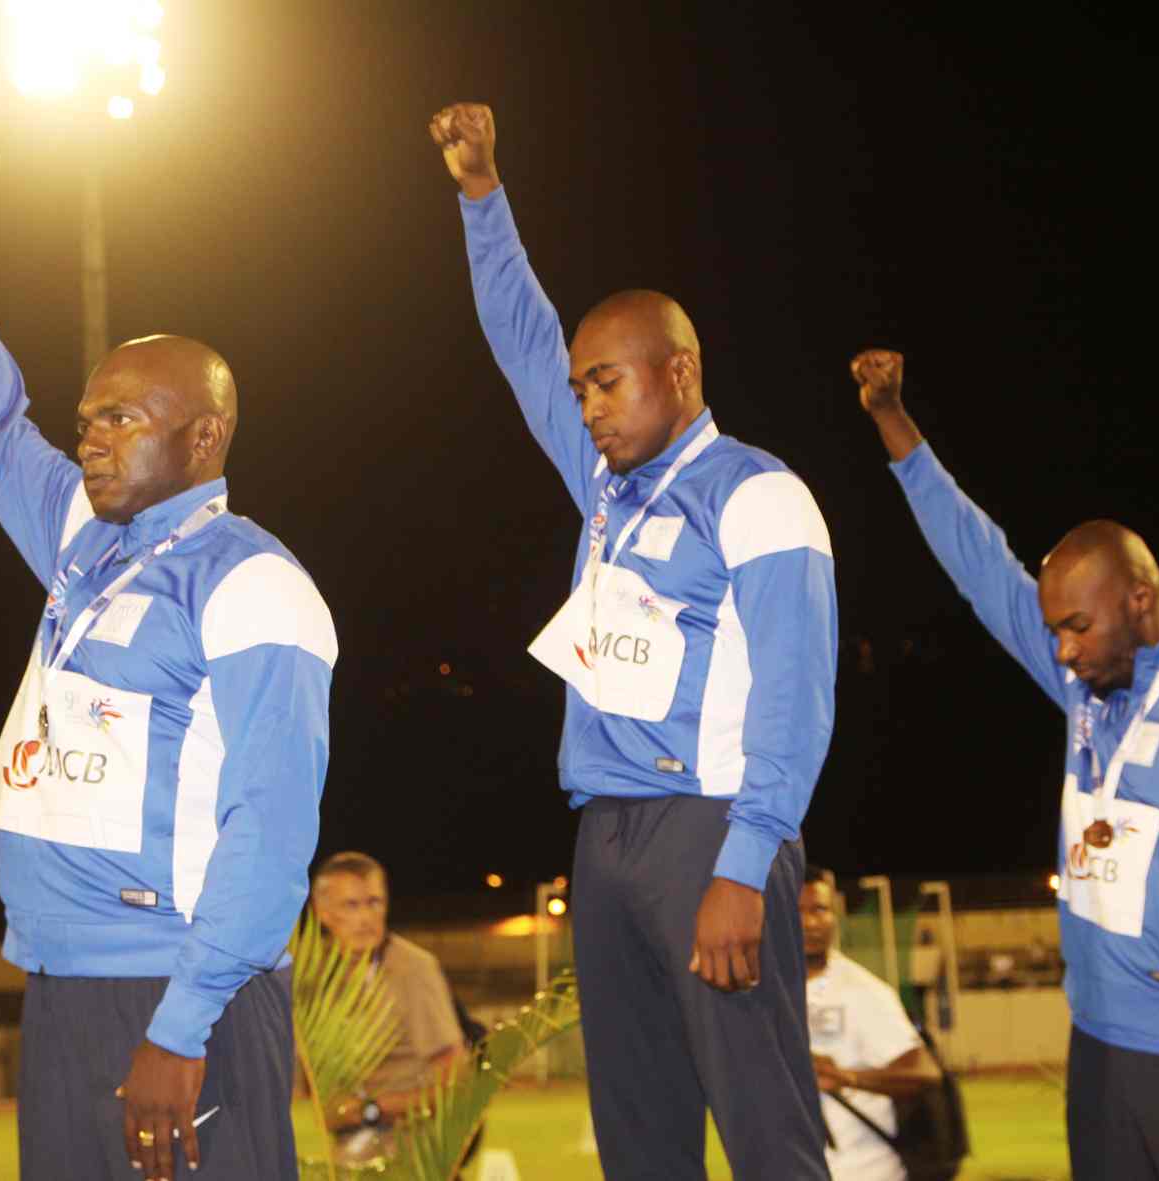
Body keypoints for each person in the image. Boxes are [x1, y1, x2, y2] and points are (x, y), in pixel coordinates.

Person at [430, 103, 839, 1179]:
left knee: (763, 1126)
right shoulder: (607, 489)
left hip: (707, 828)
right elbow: (523, 342)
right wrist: (482, 197)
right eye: (582, 390)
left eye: (606, 382)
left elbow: (794, 699)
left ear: (680, 372)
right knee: (639, 1131)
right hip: (603, 835)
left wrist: (744, 864)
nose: (587, 406)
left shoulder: (757, 494)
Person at [0, 130, 337, 1181]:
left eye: (121, 418)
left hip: (181, 993)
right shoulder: (81, 538)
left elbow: (270, 826)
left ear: (202, 438)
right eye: (85, 418)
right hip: (59, 983)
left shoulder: (253, 584)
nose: (91, 437)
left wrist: (185, 1021)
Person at [851, 348, 1159, 1181]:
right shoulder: (1088, 688)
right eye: (1053, 630)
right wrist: (893, 420)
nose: (1060, 649)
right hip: (1100, 1047)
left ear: (1140, 599)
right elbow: (982, 565)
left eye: (1076, 627)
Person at [309, 851, 467, 1165]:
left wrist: (372, 1109)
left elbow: (453, 1075)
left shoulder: (412, 969)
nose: (366, 917)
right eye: (351, 905)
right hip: (336, 1146)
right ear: (322, 912)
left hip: (410, 1144)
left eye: (374, 902)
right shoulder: (312, 977)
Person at [800, 869, 941, 1181]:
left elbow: (924, 1072)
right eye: (797, 911)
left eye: (819, 910)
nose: (810, 923)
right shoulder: (758, 990)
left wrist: (844, 1076)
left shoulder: (863, 990)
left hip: (863, 1170)